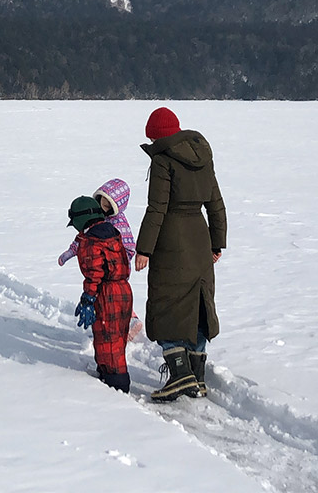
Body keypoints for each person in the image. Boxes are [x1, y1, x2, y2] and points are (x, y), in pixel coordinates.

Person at [134, 107, 226, 401]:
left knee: (167, 303)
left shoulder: (163, 160)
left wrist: (144, 249)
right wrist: (216, 243)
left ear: (156, 135)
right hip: (199, 239)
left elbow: (157, 208)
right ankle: (197, 378)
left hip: (171, 240)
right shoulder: (202, 157)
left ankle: (179, 375)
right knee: (199, 304)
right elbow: (216, 205)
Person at [59, 179, 143, 341]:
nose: (103, 209)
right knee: (104, 296)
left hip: (116, 269)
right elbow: (83, 237)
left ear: (116, 207)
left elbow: (129, 246)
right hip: (101, 266)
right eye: (101, 203)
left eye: (107, 206)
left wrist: (117, 260)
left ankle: (129, 322)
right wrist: (71, 252)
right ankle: (106, 323)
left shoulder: (119, 223)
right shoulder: (96, 219)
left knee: (112, 297)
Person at [67, 195, 133, 393]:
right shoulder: (113, 232)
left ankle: (116, 383)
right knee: (118, 336)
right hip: (124, 290)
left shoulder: (90, 241)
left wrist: (88, 298)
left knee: (107, 338)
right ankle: (108, 372)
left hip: (106, 294)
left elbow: (94, 274)